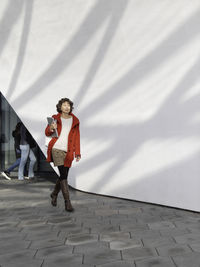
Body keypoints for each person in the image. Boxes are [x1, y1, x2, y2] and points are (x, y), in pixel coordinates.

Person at [45, 98, 81, 212]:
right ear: (60, 107)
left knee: (63, 175)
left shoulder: (75, 120)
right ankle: (67, 202)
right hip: (56, 149)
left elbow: (77, 138)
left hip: (69, 151)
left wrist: (78, 152)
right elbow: (47, 132)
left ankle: (54, 194)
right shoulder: (55, 118)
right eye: (64, 105)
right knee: (64, 176)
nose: (66, 107)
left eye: (68, 105)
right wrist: (51, 128)